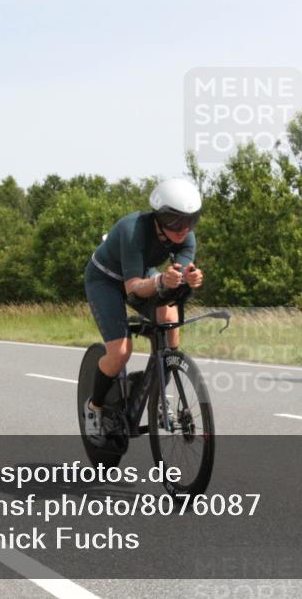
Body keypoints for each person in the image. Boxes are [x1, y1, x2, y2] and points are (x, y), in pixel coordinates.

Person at [83, 178, 204, 442]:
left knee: (170, 317)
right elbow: (134, 288)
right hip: (106, 279)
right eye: (175, 221)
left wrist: (188, 281)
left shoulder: (186, 238)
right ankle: (94, 407)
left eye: (191, 221)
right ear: (159, 217)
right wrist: (161, 281)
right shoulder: (133, 229)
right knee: (121, 352)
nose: (184, 229)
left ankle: (158, 395)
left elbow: (176, 282)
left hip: (141, 274)